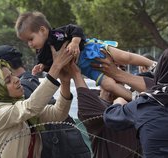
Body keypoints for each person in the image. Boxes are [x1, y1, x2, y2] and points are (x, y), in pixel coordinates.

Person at [15, 11, 157, 101]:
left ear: (42, 30)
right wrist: (43, 67)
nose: (30, 44)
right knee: (108, 85)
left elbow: (76, 29)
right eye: (27, 41)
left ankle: (152, 64)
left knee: (125, 57)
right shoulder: (41, 54)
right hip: (87, 68)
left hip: (92, 49)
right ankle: (134, 97)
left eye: (31, 39)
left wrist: (75, 42)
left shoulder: (57, 34)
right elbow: (52, 68)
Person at [0, 44, 91, 158]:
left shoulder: (21, 105)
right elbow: (31, 106)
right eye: (8, 80)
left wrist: (65, 82)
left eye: (12, 75)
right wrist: (56, 67)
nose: (16, 80)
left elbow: (58, 114)